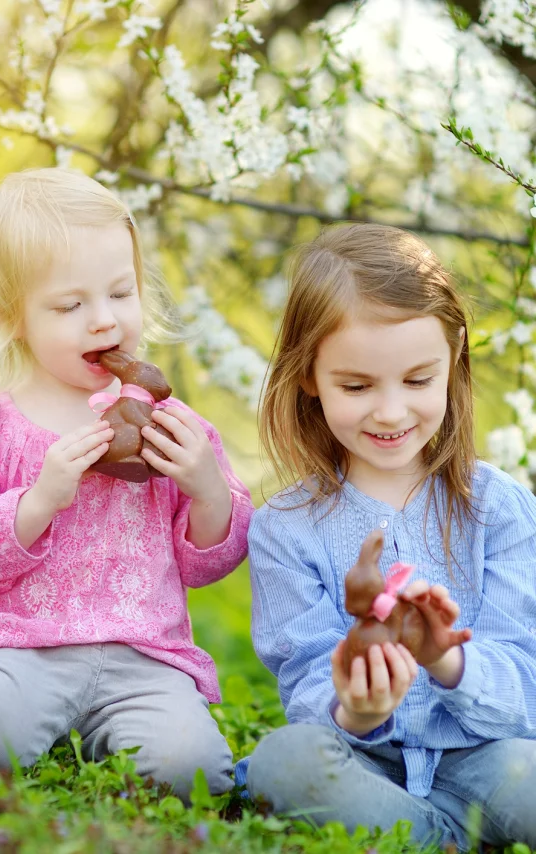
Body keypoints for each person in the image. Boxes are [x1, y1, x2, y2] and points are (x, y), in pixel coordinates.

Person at [0, 168, 253, 802]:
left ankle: (98, 729)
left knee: (192, 773)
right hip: (23, 646)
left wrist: (208, 490)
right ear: (10, 317)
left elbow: (210, 561)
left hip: (143, 655)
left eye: (120, 293)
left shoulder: (169, 424)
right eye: (70, 305)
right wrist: (36, 502)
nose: (103, 321)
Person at [235, 223, 536, 851]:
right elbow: (307, 686)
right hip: (367, 767)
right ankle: (446, 840)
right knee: (282, 764)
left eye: (418, 380)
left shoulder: (500, 508)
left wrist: (447, 660)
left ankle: (423, 837)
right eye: (357, 386)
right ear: (309, 376)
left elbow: (524, 692)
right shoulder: (284, 529)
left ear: (453, 358)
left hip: (489, 759)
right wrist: (359, 709)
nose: (392, 412)